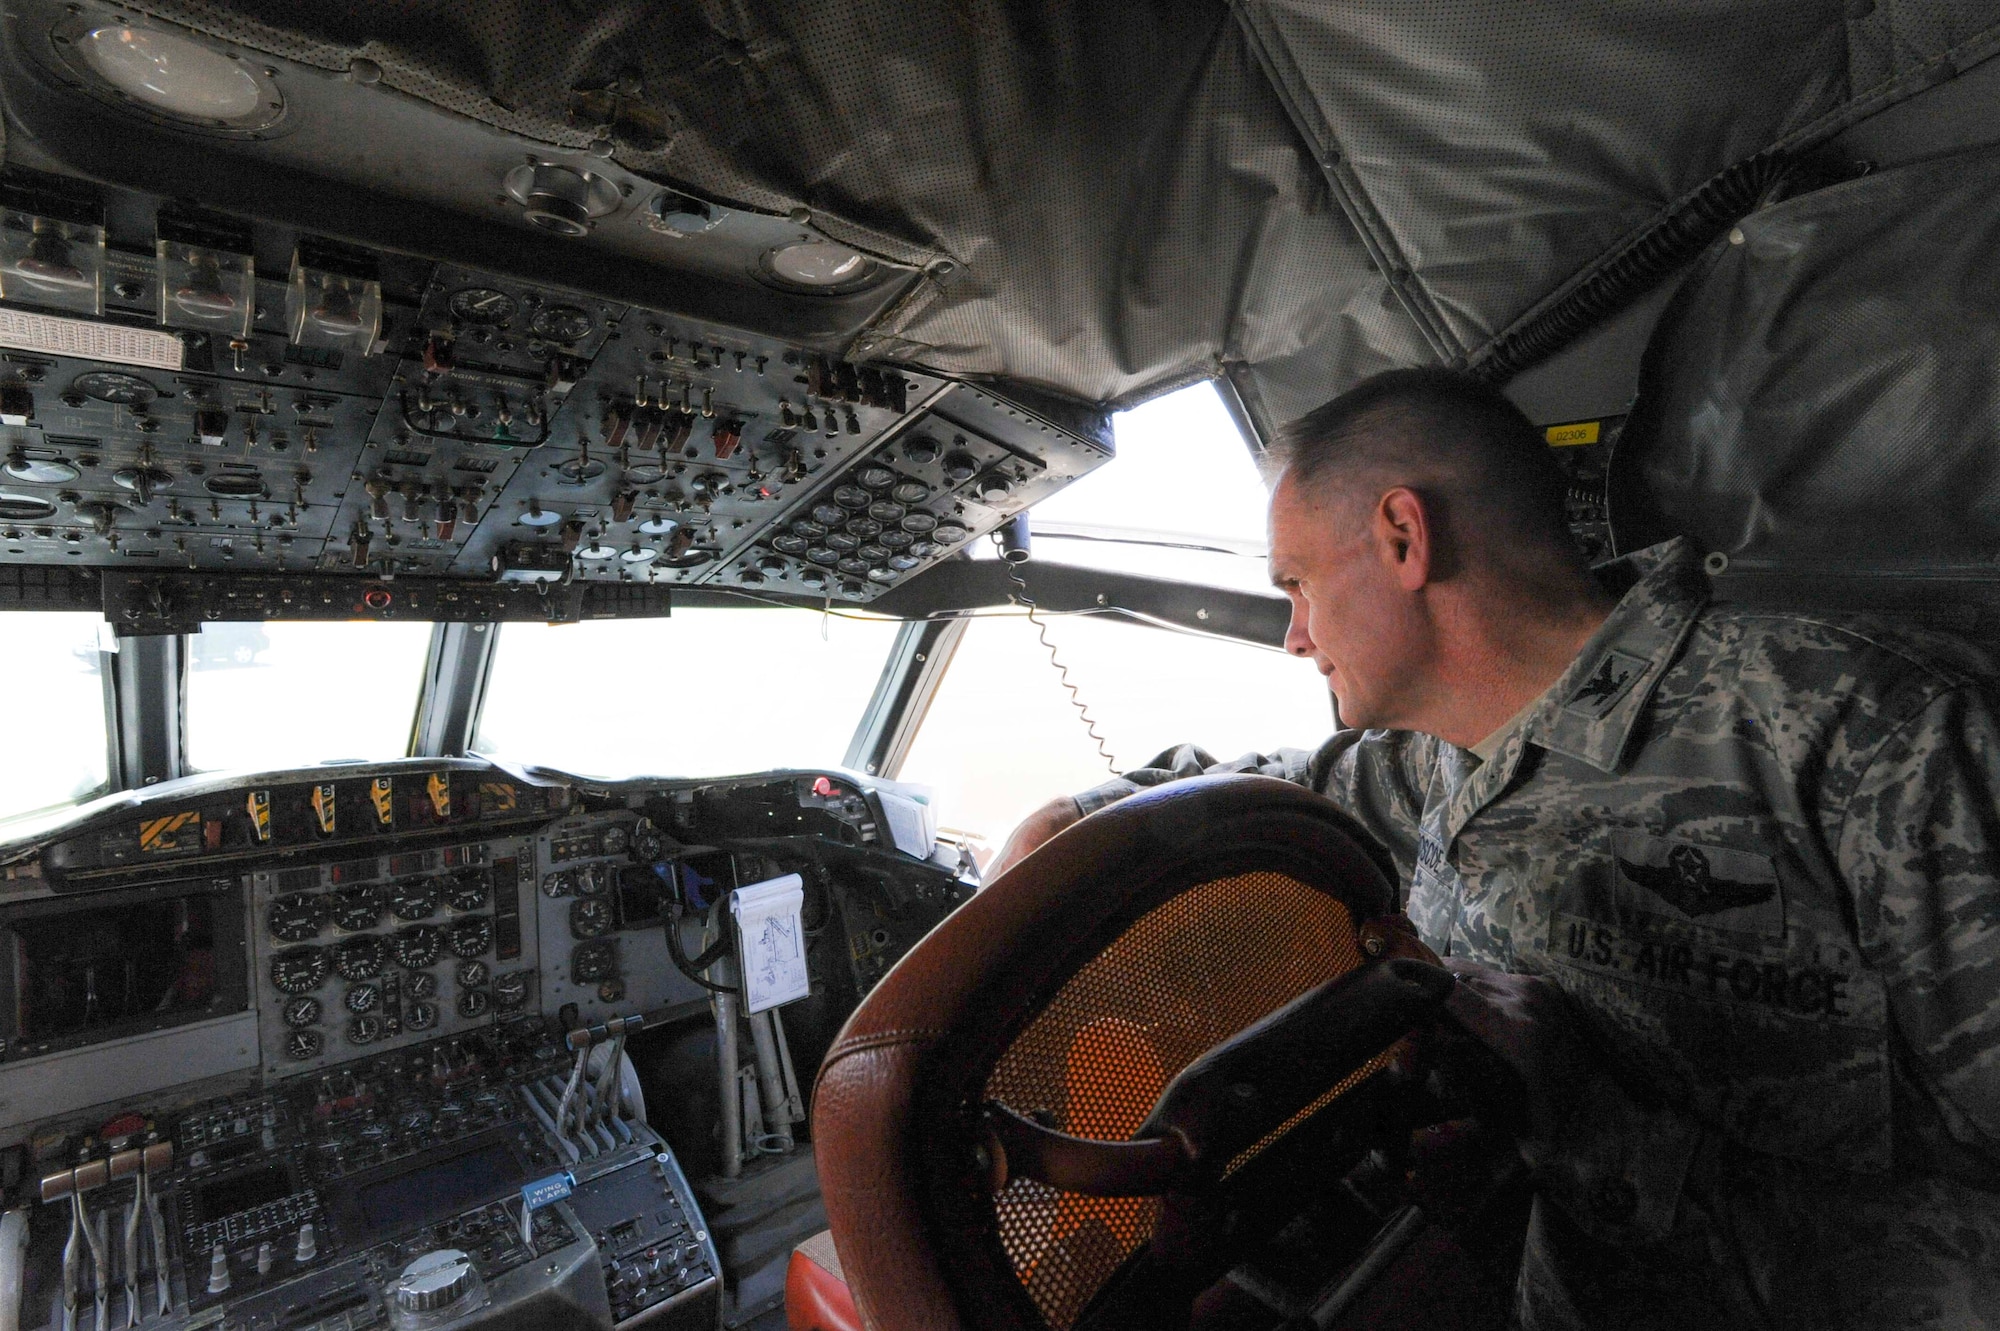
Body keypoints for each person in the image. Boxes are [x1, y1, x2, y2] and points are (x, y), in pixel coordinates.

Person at [989, 367, 2000, 1330]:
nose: (1292, 635)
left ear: (1401, 537)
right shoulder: (1438, 764)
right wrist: (1077, 815)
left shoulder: (1869, 731)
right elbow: (1266, 790)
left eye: (1295, 581)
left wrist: (1590, 1121)